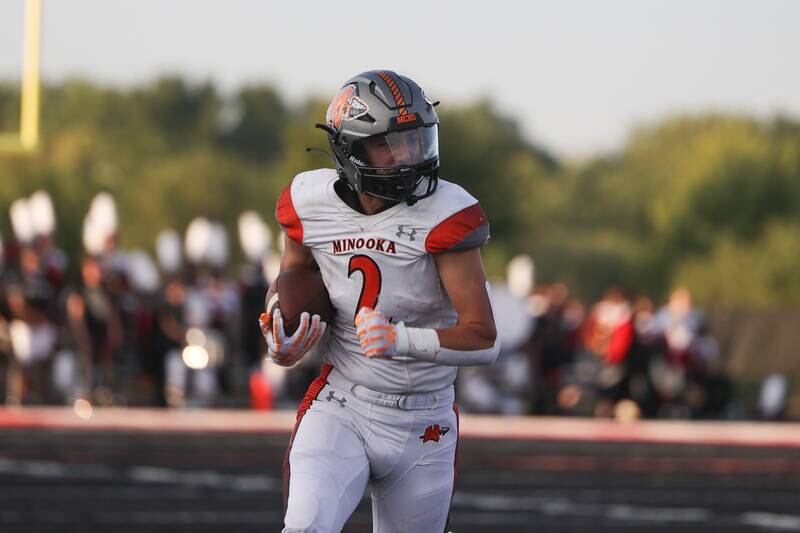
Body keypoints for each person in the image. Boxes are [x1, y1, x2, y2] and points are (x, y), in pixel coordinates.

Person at [259, 70, 500, 532]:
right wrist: (281, 334)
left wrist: (400, 340)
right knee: (305, 527)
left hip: (424, 419)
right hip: (343, 403)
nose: (409, 157)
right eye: (391, 145)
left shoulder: (446, 213)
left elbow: (485, 339)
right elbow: (293, 280)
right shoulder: (308, 203)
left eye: (416, 141)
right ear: (350, 149)